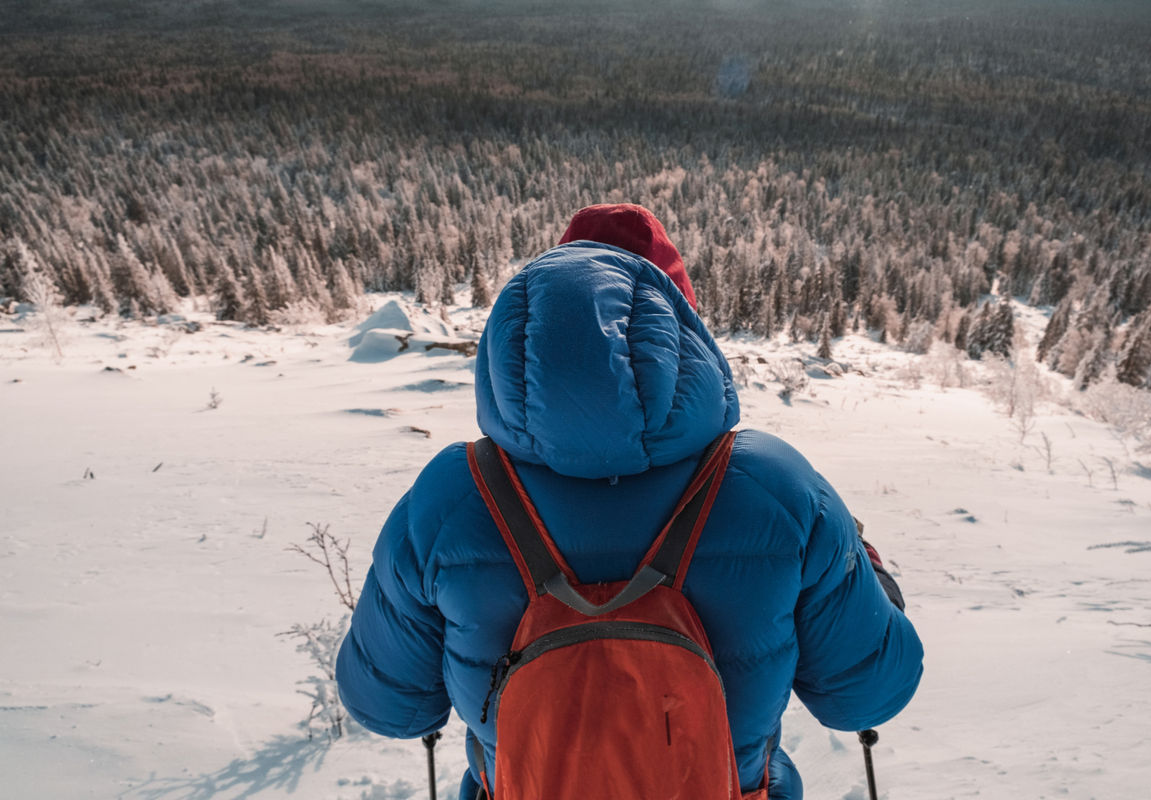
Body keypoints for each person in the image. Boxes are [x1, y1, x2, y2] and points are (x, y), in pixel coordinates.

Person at [336, 203, 923, 799]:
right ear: (682, 333)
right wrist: (869, 570)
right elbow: (867, 695)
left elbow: (388, 705)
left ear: (527, 338)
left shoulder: (449, 498)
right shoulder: (777, 488)